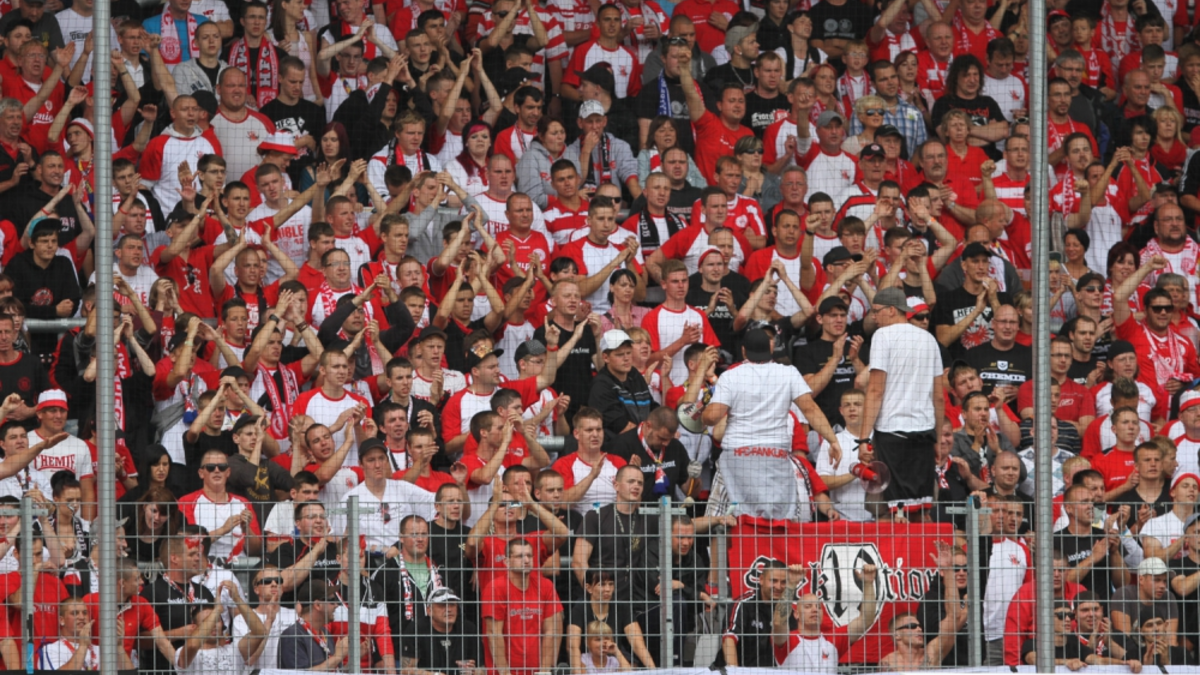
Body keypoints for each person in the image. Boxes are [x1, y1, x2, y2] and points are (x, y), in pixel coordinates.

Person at [700, 328, 842, 520]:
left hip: (737, 455)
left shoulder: (732, 376)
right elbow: (810, 409)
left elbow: (712, 417)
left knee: (719, 521)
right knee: (777, 520)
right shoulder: (788, 373)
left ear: (743, 351)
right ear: (771, 349)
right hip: (774, 456)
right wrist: (833, 440)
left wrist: (703, 412)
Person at [856, 287, 944, 514]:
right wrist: (938, 438)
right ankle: (919, 551)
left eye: (876, 311)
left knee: (889, 511)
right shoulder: (929, 339)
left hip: (892, 434)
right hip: (924, 435)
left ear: (892, 310)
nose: (873, 317)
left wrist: (864, 438)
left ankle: (895, 551)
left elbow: (875, 389)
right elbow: (939, 397)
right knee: (921, 510)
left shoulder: (883, 336)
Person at [771, 563, 877, 671]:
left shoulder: (834, 639)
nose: (815, 609)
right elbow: (779, 622)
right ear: (796, 614)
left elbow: (866, 620)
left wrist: (868, 583)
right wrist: (791, 584)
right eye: (808, 606)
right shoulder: (788, 640)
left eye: (818, 607)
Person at [481, 538, 564, 675]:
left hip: (537, 670)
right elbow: (494, 634)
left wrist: (544, 670)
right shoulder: (496, 588)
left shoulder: (546, 586)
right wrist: (505, 672)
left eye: (529, 556)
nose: (526, 560)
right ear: (507, 562)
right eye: (520, 556)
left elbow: (552, 630)